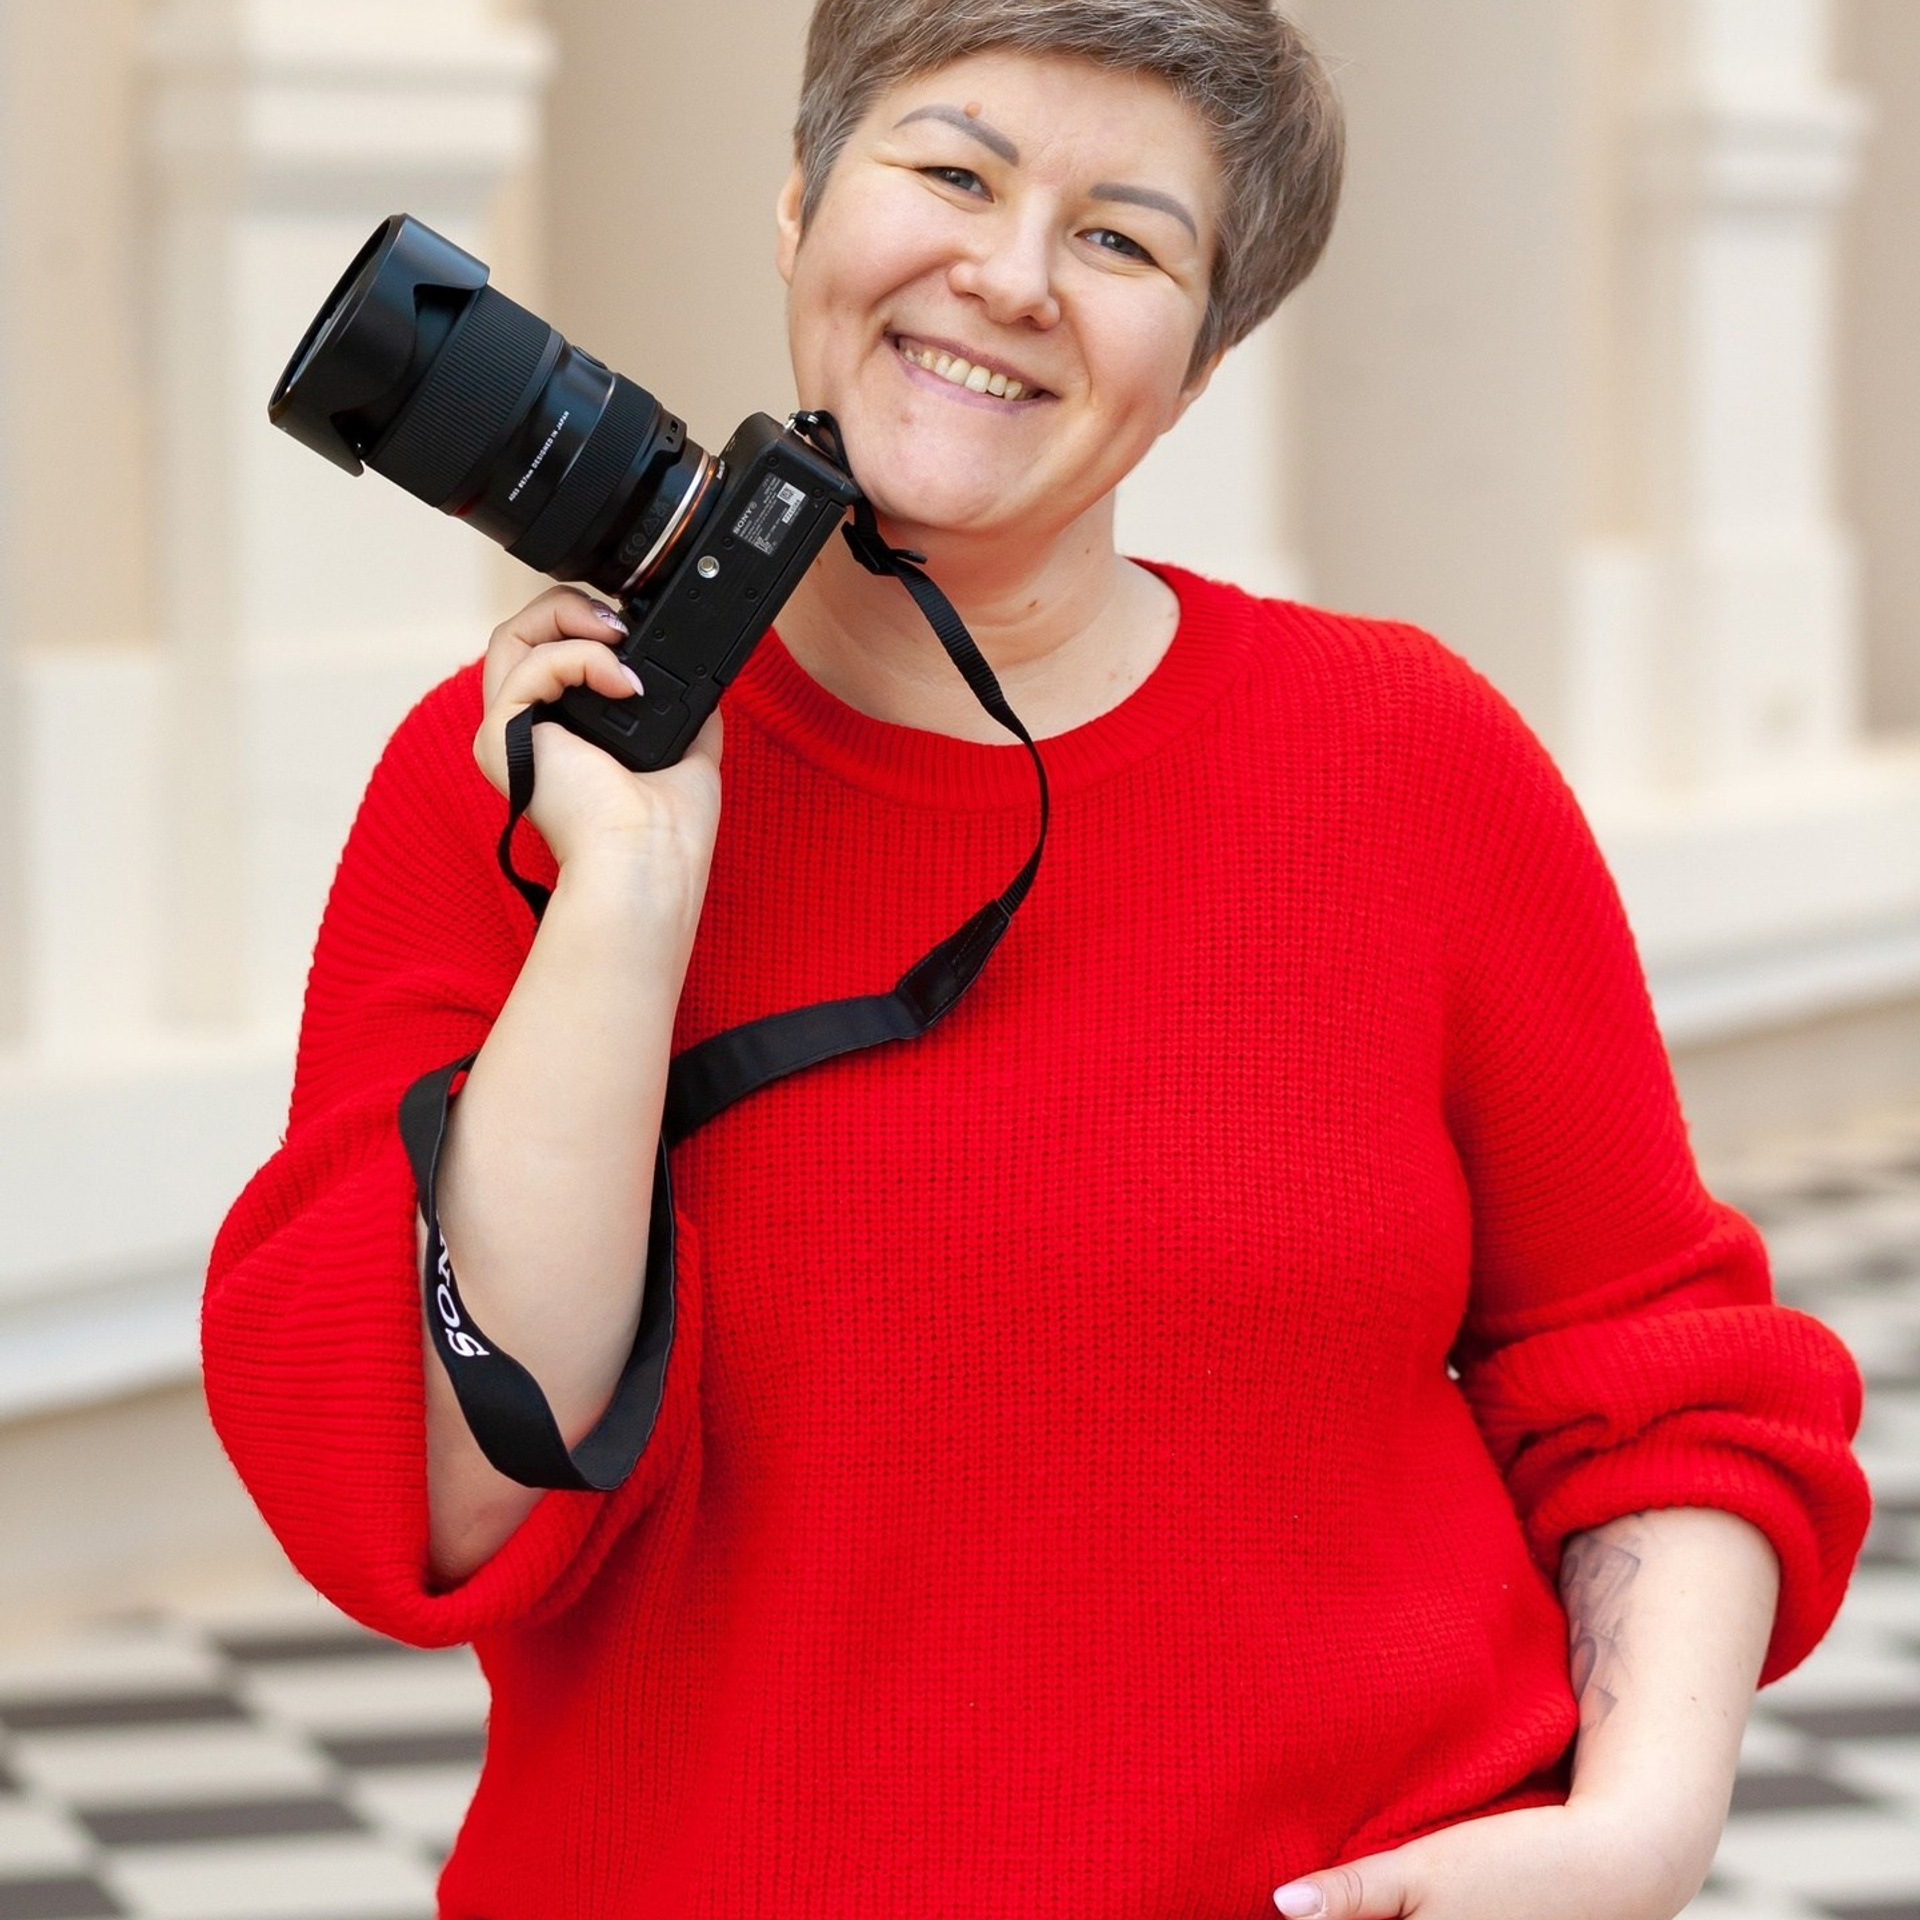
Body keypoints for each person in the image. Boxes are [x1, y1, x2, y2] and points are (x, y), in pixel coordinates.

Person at [203, 3, 1870, 1916]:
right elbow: (438, 1491)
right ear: (803, 207)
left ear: (1202, 360)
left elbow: (1656, 1377)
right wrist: (628, 902)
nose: (1007, 279)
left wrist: (1637, 1834)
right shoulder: (515, 781)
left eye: (1122, 239)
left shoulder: (1406, 757)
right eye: (954, 174)